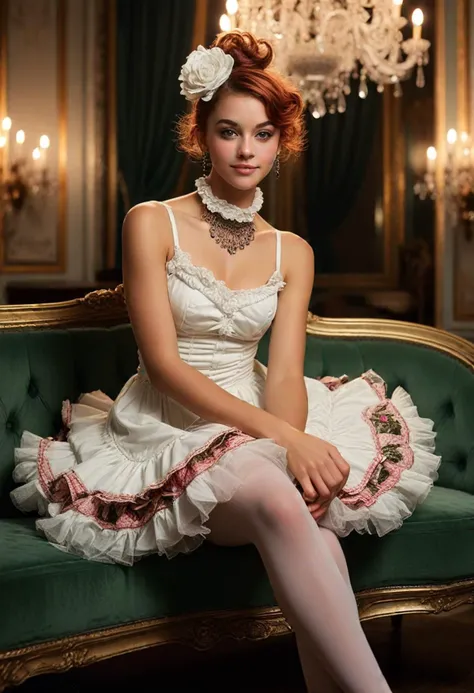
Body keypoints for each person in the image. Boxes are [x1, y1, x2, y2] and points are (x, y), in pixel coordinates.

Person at [11, 31, 440, 693]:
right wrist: (287, 443)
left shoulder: (291, 250)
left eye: (263, 134)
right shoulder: (151, 222)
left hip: (260, 423)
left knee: (315, 530)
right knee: (279, 496)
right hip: (168, 425)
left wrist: (295, 444)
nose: (246, 151)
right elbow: (162, 366)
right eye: (229, 132)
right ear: (200, 134)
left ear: (282, 141)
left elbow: (287, 370)